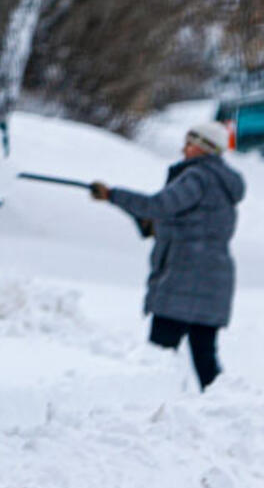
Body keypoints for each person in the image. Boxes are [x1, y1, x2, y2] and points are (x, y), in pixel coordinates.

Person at [90, 122, 246, 391]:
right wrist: (152, 223)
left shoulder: (198, 176)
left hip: (184, 276)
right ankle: (225, 406)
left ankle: (151, 402)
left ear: (205, 148)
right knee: (205, 357)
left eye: (190, 143)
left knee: (159, 353)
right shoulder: (222, 182)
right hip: (214, 278)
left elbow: (158, 206)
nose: (183, 149)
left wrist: (112, 195)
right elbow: (190, 221)